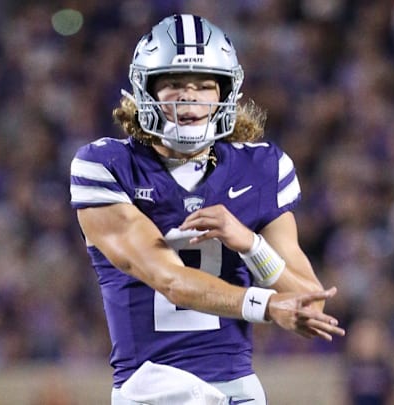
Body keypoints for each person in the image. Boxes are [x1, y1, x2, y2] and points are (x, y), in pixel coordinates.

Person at [69, 14, 345, 404]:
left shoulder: (262, 166)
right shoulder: (107, 165)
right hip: (154, 388)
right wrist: (265, 304)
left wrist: (251, 245)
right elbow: (172, 281)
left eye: (204, 86)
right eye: (175, 85)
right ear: (145, 90)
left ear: (226, 93)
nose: (190, 98)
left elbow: (310, 303)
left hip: (240, 390)